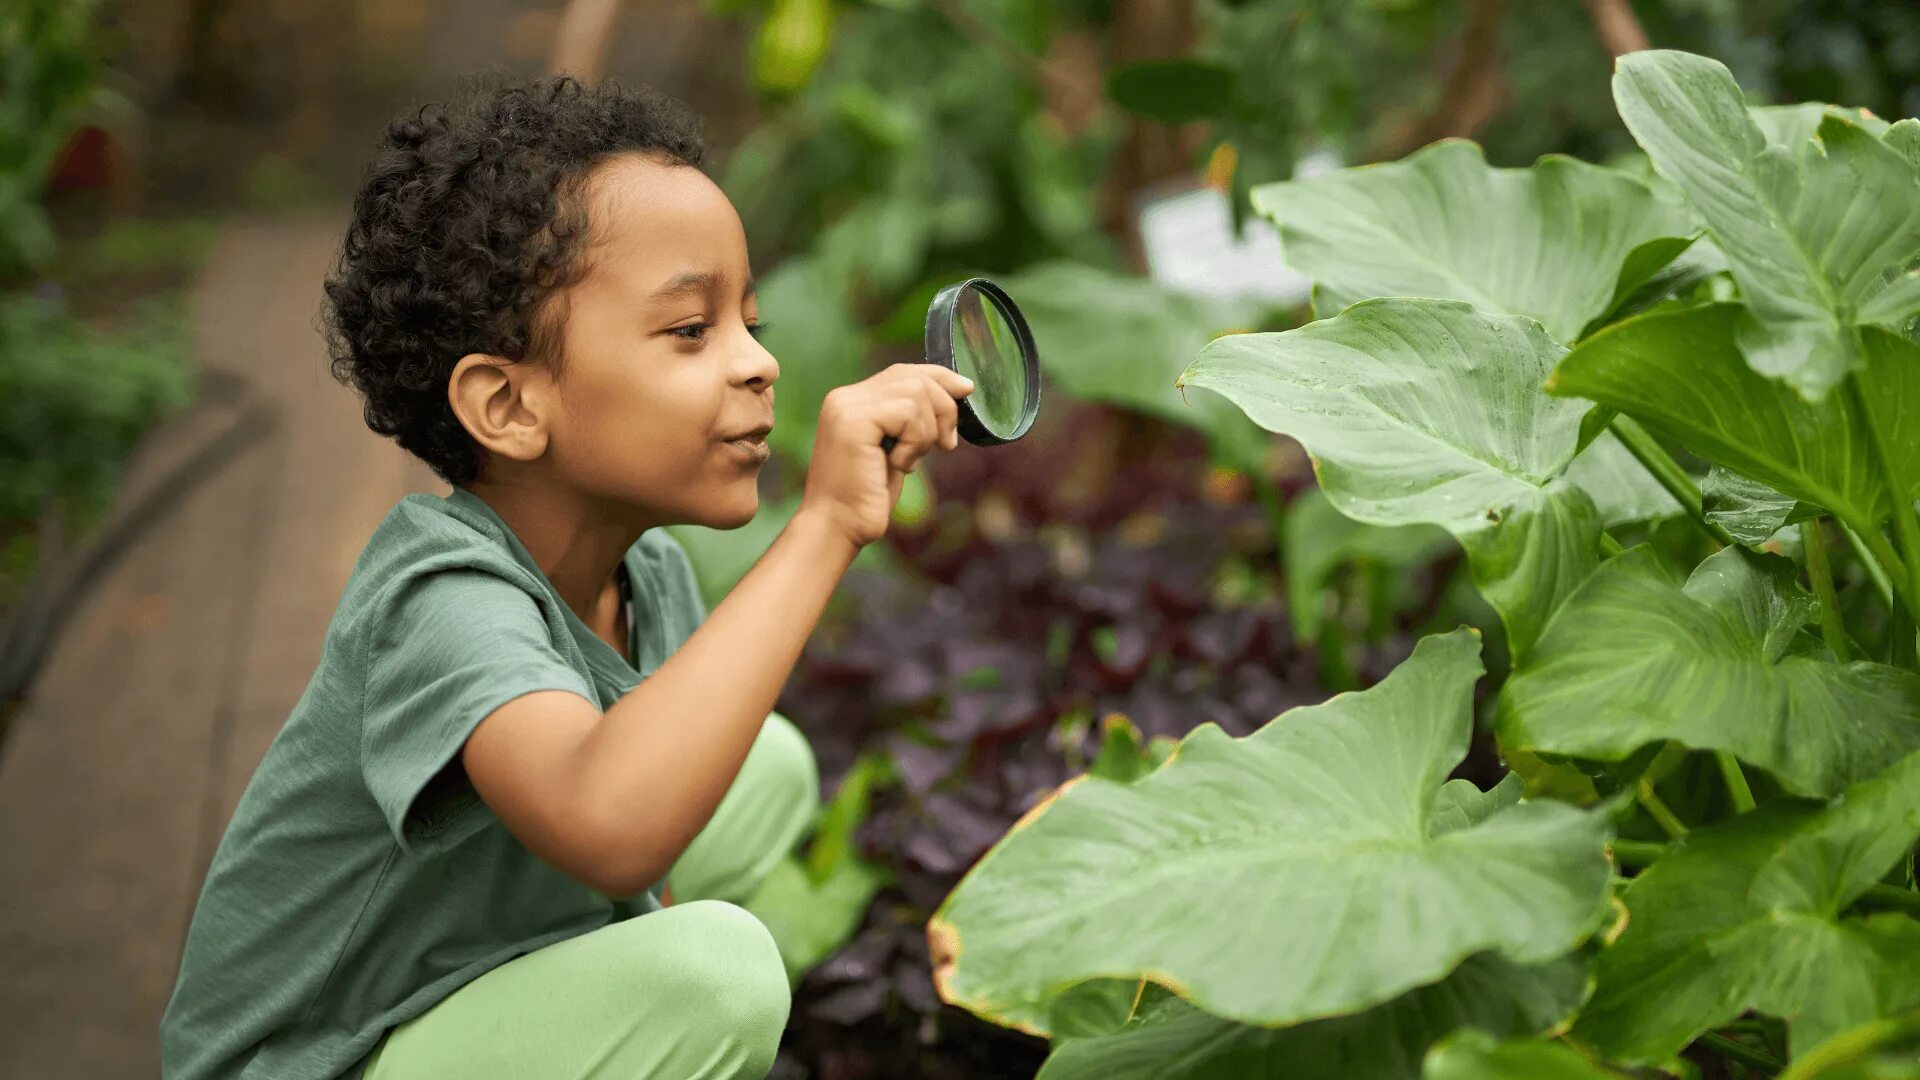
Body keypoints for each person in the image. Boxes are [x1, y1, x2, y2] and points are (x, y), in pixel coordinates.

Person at [158, 72, 972, 1080]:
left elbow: (644, 868)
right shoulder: (442, 601)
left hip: (462, 985)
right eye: (691, 330)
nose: (758, 363)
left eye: (749, 325)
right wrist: (827, 526)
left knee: (768, 766)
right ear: (507, 406)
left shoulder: (651, 576)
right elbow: (612, 825)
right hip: (322, 1062)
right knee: (720, 980)